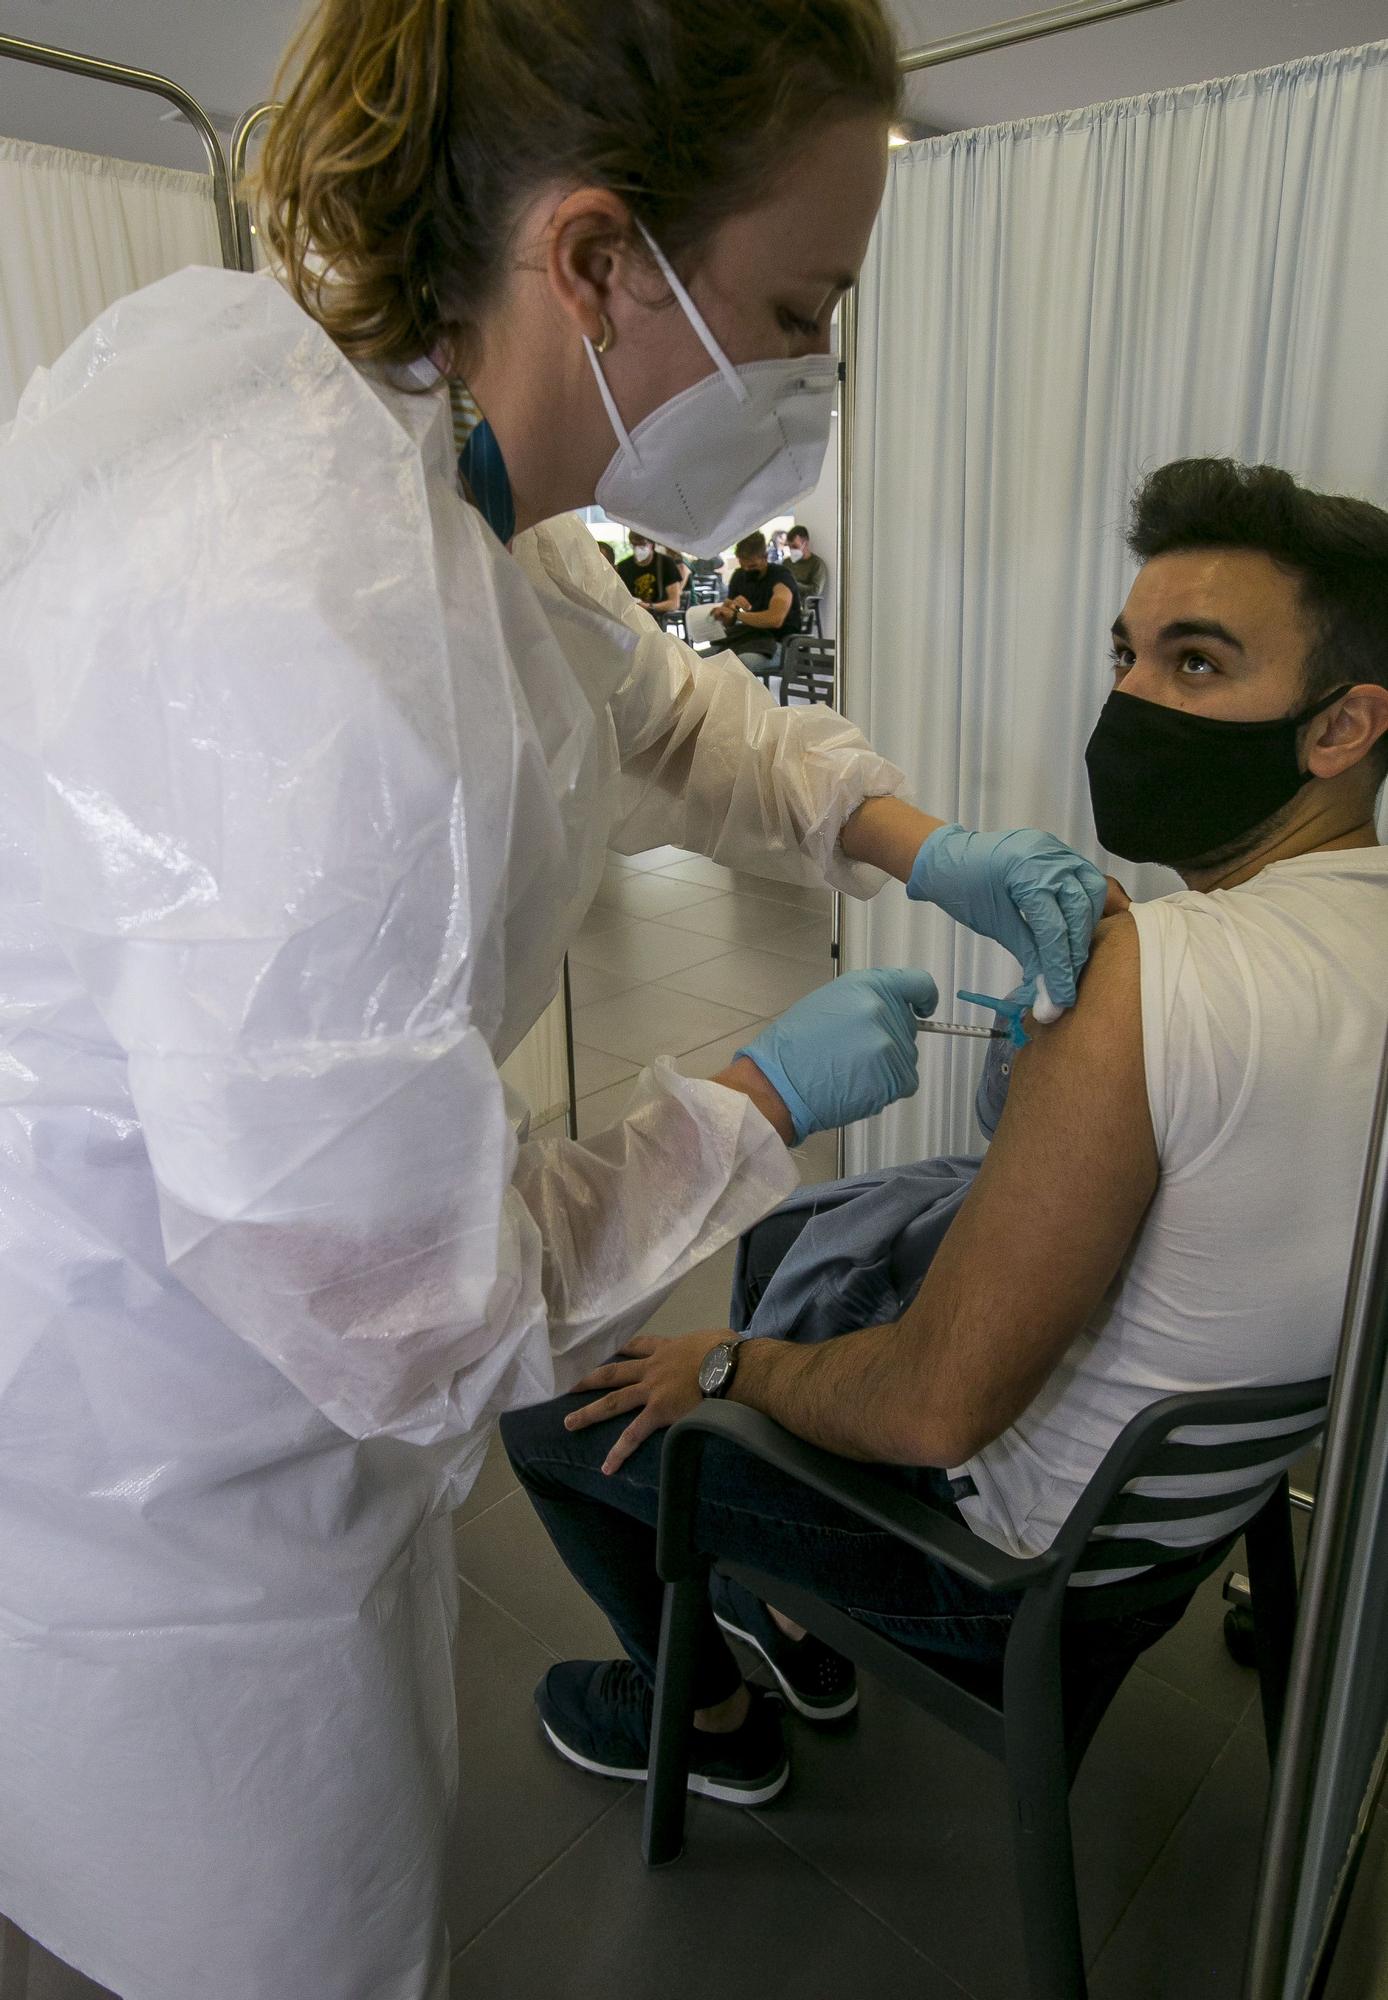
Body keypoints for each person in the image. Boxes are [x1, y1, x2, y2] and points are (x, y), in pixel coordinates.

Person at [0, 2, 1113, 1994]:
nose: (814, 372)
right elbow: (423, 1320)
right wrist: (759, 1102)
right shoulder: (305, 632)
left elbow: (668, 705)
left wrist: (912, 839)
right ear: (603, 259)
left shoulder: (431, 468)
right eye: (802, 304)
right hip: (176, 1480)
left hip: (246, 1335)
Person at [500, 457, 1388, 1803]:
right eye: (1128, 654)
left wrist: (723, 1375)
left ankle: (711, 1718)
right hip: (1175, 1526)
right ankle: (778, 1617)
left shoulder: (1158, 974)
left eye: (1197, 664)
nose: (1133, 700)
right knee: (805, 1238)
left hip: (1006, 1582)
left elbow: (932, 1408)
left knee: (553, 1411)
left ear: (1344, 725)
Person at [705, 529, 803, 674]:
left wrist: (737, 614)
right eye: (743, 566)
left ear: (765, 557)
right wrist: (726, 612)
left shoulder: (780, 577)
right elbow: (729, 623)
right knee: (699, 659)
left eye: (752, 566)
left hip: (778, 643)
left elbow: (775, 619)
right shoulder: (739, 575)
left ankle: (735, 697)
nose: (747, 570)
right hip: (747, 640)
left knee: (737, 664)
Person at [616, 534, 684, 618]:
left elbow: (674, 603)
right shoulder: (624, 567)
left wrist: (649, 607)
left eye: (642, 544)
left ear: (652, 544)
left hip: (658, 616)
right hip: (631, 616)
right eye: (634, 545)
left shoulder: (666, 564)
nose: (638, 548)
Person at [787, 522, 829, 599]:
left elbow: (816, 591)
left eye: (795, 546)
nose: (792, 550)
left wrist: (794, 584)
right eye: (789, 547)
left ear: (805, 544)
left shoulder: (817, 564)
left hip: (803, 607)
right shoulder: (787, 563)